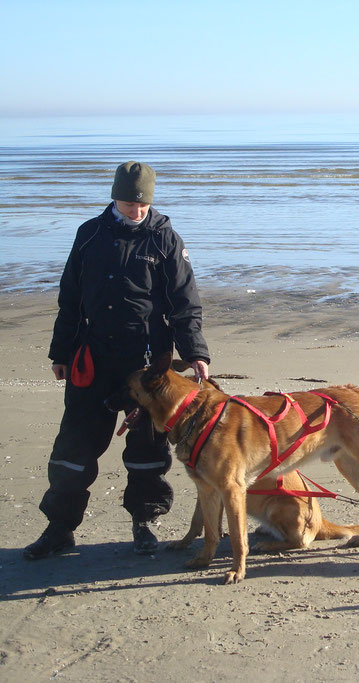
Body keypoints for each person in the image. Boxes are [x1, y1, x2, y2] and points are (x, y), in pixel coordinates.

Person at [24, 161, 211, 559]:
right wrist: (61, 352)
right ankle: (59, 528)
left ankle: (143, 524)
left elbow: (185, 304)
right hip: (92, 358)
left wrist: (195, 353)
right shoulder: (89, 235)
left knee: (147, 450)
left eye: (143, 205)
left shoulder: (165, 239)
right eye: (129, 204)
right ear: (115, 197)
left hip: (147, 367)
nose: (136, 212)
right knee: (74, 446)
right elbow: (70, 299)